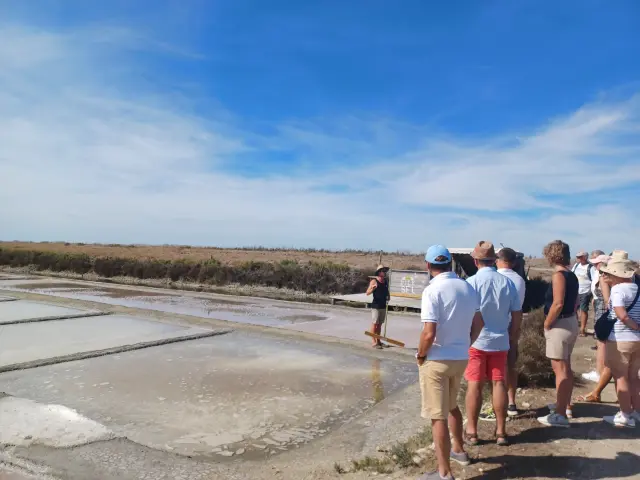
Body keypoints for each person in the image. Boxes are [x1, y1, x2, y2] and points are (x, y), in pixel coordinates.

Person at [416, 245, 484, 480]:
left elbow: (428, 333)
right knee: (452, 405)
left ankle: (444, 473)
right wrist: (466, 343)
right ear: (450, 264)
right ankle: (458, 450)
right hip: (460, 358)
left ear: (428, 266)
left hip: (437, 360)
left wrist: (421, 355)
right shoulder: (467, 286)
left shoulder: (432, 290)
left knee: (438, 417)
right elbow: (479, 323)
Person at [464, 241, 522, 447]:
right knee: (499, 384)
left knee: (474, 385)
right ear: (494, 260)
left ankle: (471, 431)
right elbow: (517, 315)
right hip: (500, 340)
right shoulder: (507, 283)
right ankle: (501, 431)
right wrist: (513, 336)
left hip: (477, 341)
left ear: (475, 260)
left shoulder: (470, 282)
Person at [537, 240, 579, 427]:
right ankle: (565, 405)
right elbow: (576, 302)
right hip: (571, 321)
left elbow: (558, 303)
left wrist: (547, 323)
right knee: (566, 368)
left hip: (560, 324)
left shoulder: (559, 275)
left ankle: (560, 414)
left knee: (560, 371)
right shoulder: (572, 275)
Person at [599, 254, 640, 428]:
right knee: (633, 377)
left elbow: (621, 314)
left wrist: (634, 326)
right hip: (637, 341)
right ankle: (636, 411)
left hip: (620, 339)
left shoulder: (618, 290)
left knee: (621, 377)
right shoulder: (637, 288)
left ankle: (625, 414)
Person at [496, 247, 526, 417]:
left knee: (496, 368)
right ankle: (511, 402)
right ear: (514, 262)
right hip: (514, 324)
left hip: (496, 325)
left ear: (498, 260)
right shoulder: (520, 281)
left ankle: (498, 404)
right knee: (511, 364)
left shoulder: (497, 279)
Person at [579, 254, 612, 394]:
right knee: (601, 342)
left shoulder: (604, 278)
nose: (595, 265)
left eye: (597, 263)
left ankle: (600, 372)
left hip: (603, 311)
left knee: (601, 343)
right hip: (601, 307)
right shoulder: (603, 276)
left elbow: (607, 300)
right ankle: (601, 372)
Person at [366, 265, 390, 349]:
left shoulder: (386, 281)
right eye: (383, 271)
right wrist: (372, 289)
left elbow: (387, 291)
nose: (384, 272)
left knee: (379, 324)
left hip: (383, 305)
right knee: (375, 324)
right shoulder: (374, 281)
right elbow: (367, 293)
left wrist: (388, 297)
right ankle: (373, 341)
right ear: (379, 272)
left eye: (385, 271)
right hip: (376, 305)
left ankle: (378, 341)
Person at [573, 250, 596, 337]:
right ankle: (575, 327)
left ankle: (582, 329)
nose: (578, 258)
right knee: (574, 310)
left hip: (585, 292)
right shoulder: (576, 265)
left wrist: (593, 293)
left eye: (580, 257)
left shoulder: (590, 267)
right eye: (577, 257)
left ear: (585, 257)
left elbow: (594, 280)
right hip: (576, 291)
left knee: (583, 310)